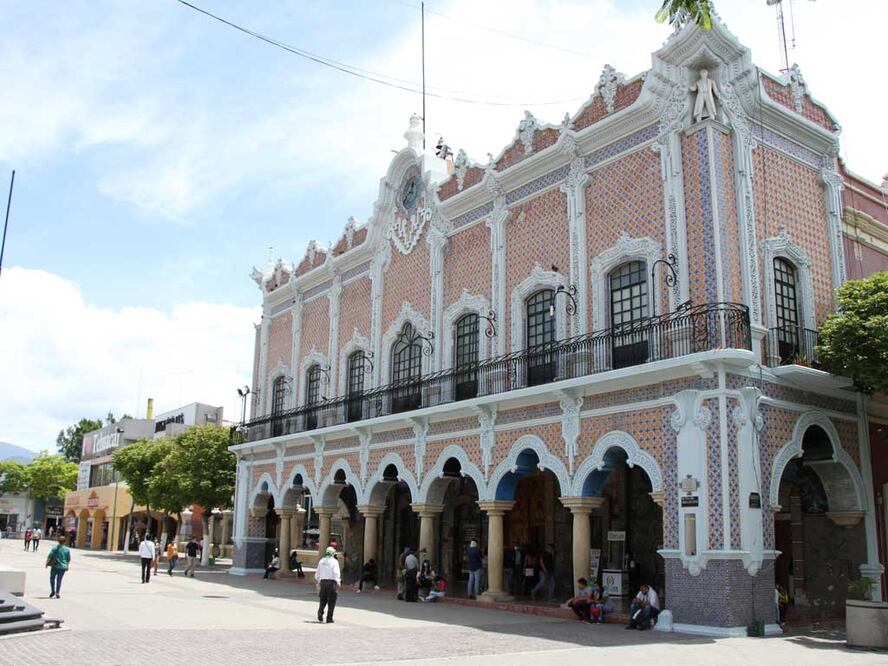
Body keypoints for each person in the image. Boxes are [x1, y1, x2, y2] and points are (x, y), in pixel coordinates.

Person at [315, 546, 341, 623]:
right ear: (332, 553)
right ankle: (329, 618)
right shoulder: (334, 562)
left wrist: (319, 581)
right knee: (331, 601)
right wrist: (338, 581)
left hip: (323, 582)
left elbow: (317, 573)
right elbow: (336, 572)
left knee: (323, 599)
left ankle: (320, 612)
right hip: (331, 583)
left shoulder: (322, 561)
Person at [45, 535, 71, 599]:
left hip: (55, 566)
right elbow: (68, 559)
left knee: (52, 579)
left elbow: (50, 556)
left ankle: (53, 591)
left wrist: (46, 563)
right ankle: (57, 593)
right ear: (65, 542)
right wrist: (67, 566)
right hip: (63, 567)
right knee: (59, 580)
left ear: (58, 541)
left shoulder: (55, 548)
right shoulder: (67, 549)